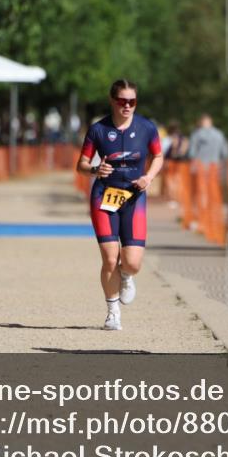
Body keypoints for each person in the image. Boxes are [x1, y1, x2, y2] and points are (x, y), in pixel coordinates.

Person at [76, 80, 164, 331]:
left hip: (134, 197)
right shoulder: (98, 130)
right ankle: (112, 312)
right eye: (122, 101)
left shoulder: (147, 127)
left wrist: (148, 177)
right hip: (104, 195)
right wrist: (95, 169)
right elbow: (81, 165)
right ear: (112, 101)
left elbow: (158, 156)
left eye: (132, 101)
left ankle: (125, 275)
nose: (127, 106)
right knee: (109, 258)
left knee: (133, 263)